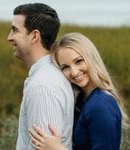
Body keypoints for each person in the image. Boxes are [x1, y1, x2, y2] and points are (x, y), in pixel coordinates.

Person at [29, 32, 128, 150]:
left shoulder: (100, 105)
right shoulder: (82, 99)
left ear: (91, 58)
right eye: (65, 67)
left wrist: (57, 148)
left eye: (78, 61)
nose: (74, 72)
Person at [7, 3, 74, 150]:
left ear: (34, 36)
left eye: (15, 30)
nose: (9, 37)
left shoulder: (43, 87)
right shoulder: (47, 77)